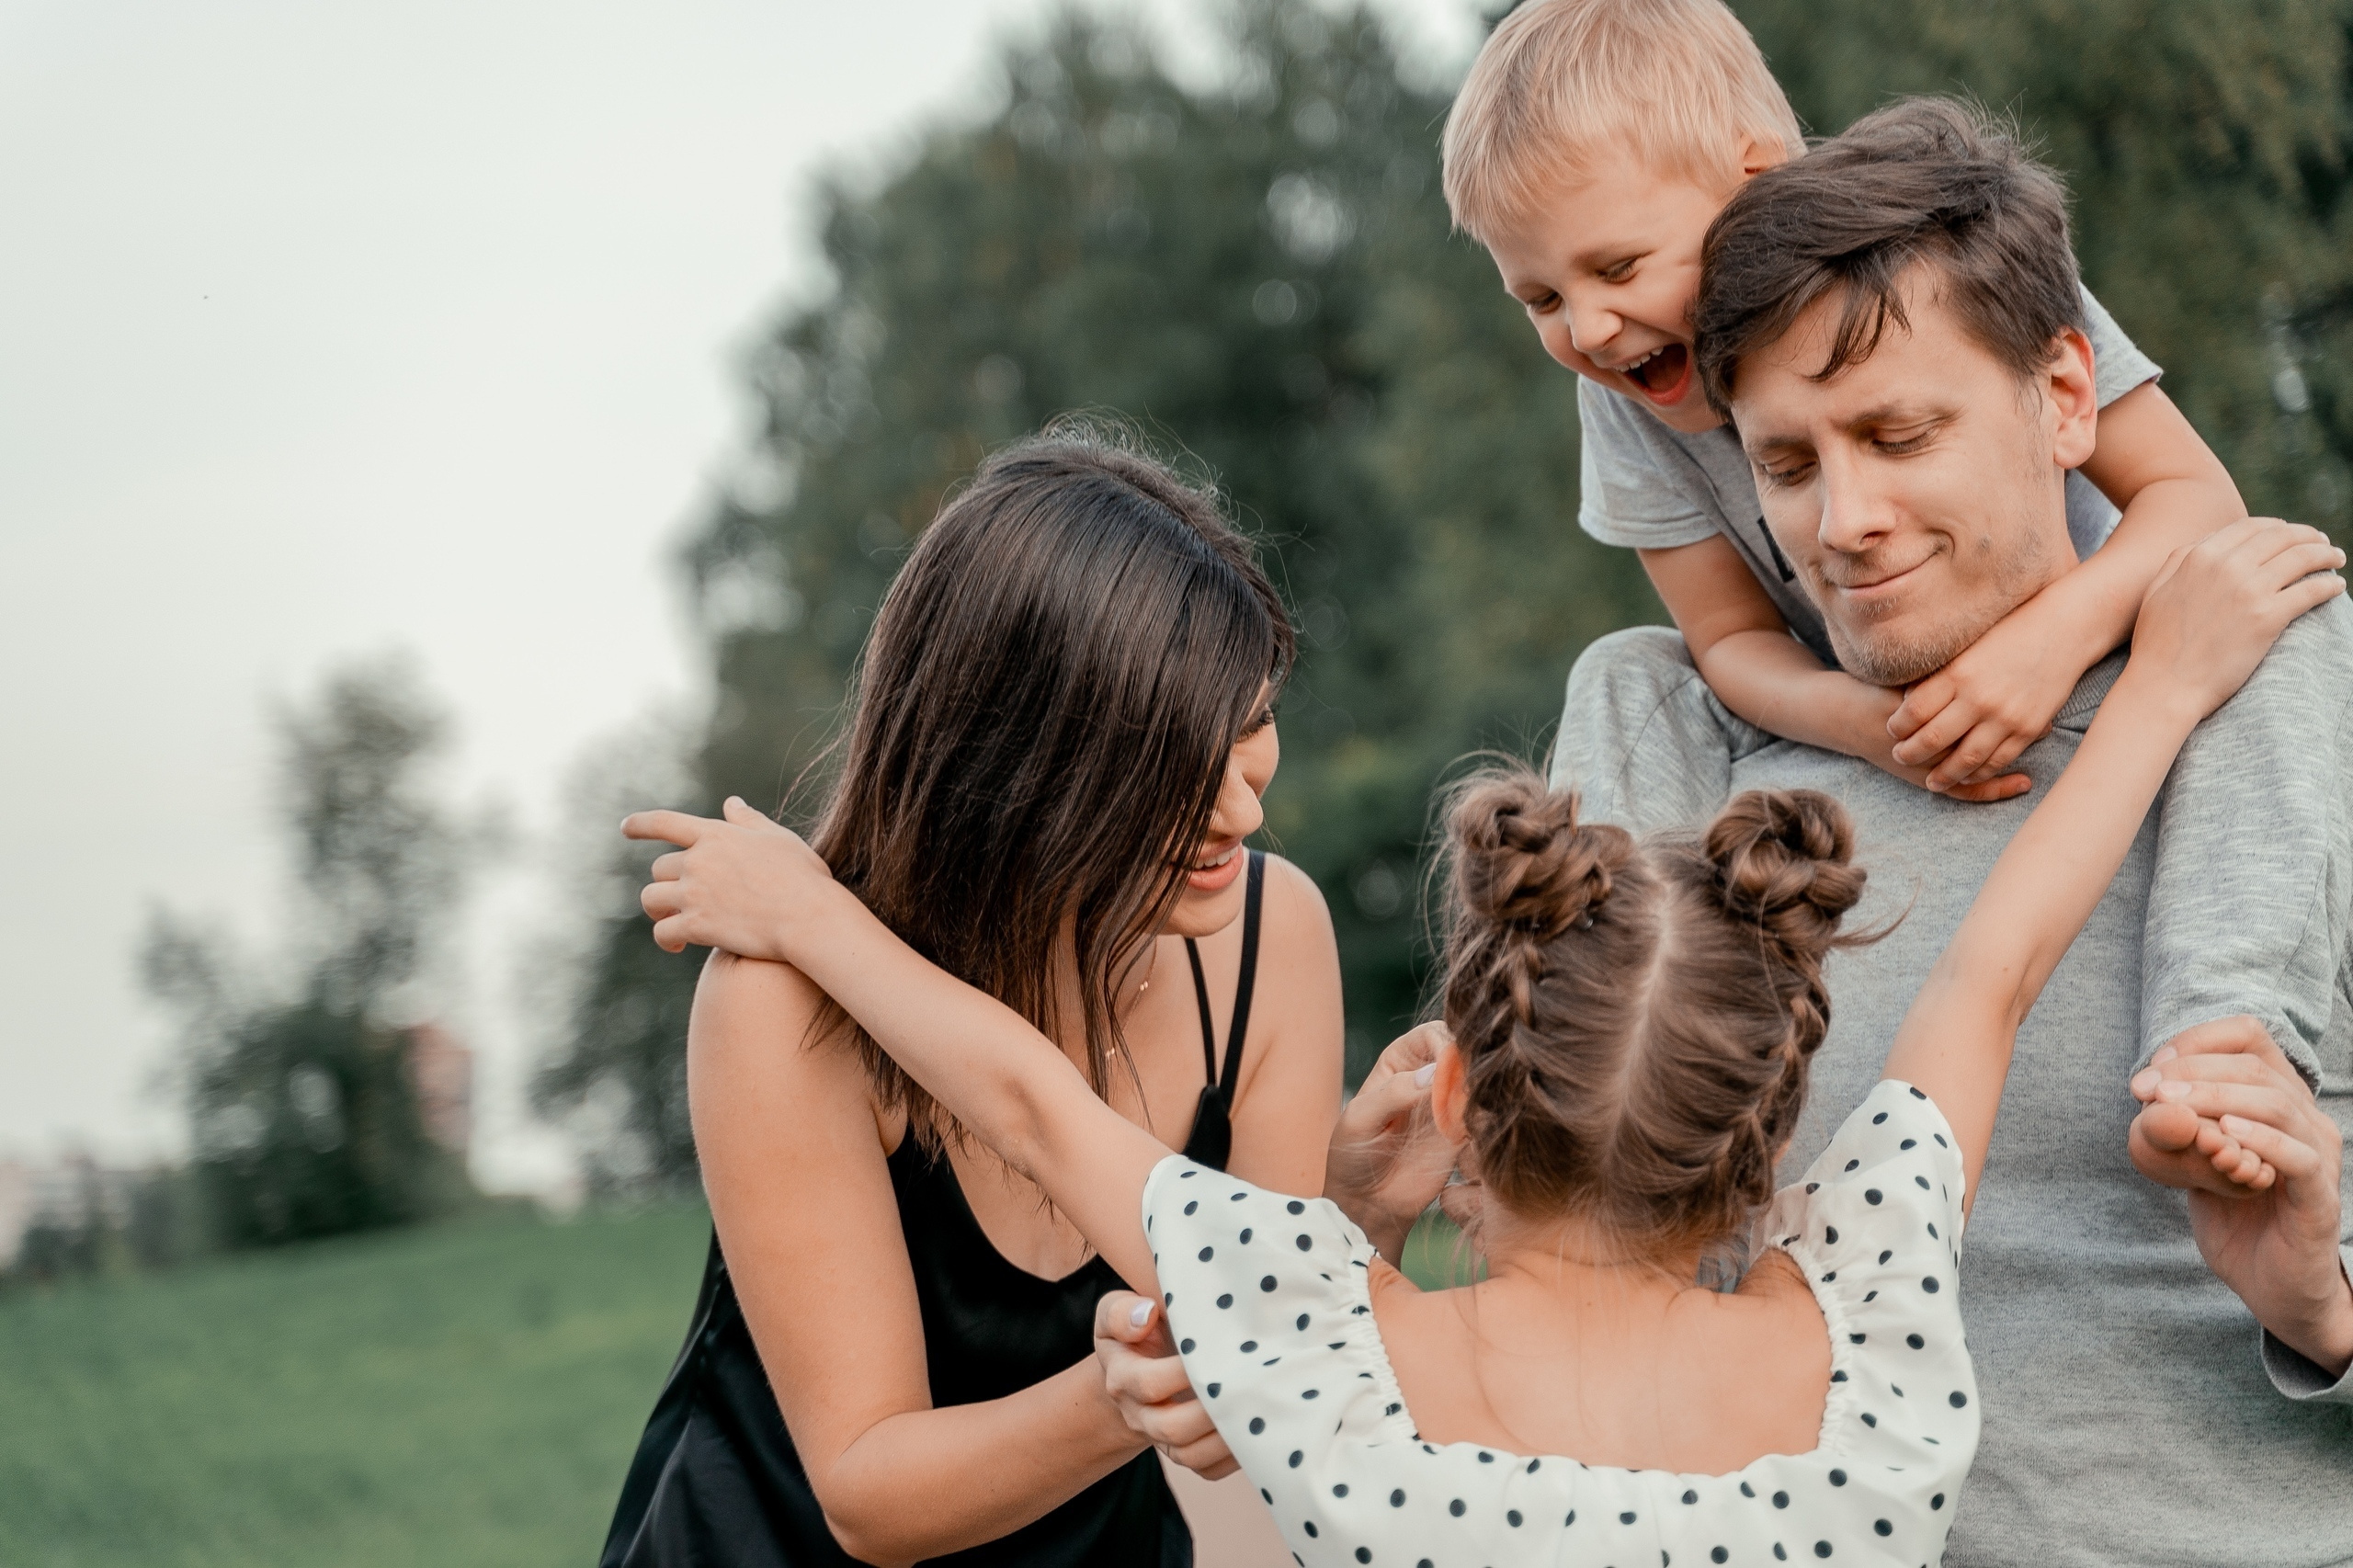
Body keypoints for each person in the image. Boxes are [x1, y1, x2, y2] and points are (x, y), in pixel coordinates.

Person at [629, 519, 2340, 1564]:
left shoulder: (1328, 1354)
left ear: (1453, 1094)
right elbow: (1995, 972)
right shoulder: (1877, 1348)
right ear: (1773, 1115)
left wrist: (818, 921)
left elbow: (1014, 1087)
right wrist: (2166, 687)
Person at [1555, 98, 2353, 1563]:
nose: (1844, 521)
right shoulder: (1681, 748)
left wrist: (2326, 1301)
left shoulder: (2273, 684)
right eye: (1787, 465)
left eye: (1900, 434)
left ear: (2067, 398)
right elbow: (1569, 1271)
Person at [600, 426, 1345, 1567]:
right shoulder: (776, 1002)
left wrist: (1361, 1214)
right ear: (1022, 763)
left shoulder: (1267, 935)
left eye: (1250, 724)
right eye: (1170, 761)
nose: (1241, 810)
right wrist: (1116, 1399)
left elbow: (1273, 1341)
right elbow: (868, 1492)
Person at [1441, 0, 2248, 800]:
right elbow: (1729, 637)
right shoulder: (1622, 405)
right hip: (1877, 682)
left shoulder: (1938, 264)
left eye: (1618, 268)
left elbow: (2195, 495)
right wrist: (1872, 727)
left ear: (1751, 177)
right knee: (1629, 667)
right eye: (1542, 300)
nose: (1588, 330)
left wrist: (2056, 639)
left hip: (2083, 642)